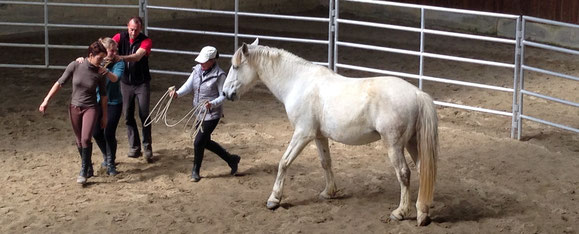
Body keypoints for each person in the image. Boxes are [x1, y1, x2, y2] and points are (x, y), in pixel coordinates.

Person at [39, 41, 113, 184]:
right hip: (74, 107)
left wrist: (104, 115)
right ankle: (88, 167)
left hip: (90, 107)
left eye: (103, 59)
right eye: (99, 58)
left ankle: (83, 170)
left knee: (86, 139)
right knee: (79, 140)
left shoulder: (100, 73)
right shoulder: (76, 65)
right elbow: (60, 82)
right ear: (91, 55)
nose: (101, 62)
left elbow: (104, 96)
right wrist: (46, 99)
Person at [169, 46, 240, 182]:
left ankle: (196, 170)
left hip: (212, 115)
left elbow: (223, 95)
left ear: (212, 61)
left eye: (204, 61)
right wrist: (177, 93)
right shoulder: (196, 70)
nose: (201, 64)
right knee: (205, 142)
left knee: (198, 142)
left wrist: (212, 104)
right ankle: (231, 159)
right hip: (199, 113)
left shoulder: (220, 75)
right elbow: (188, 86)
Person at [112, 16, 154, 162]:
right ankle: (134, 146)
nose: (133, 33)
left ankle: (147, 146)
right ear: (127, 27)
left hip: (141, 83)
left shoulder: (146, 41)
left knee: (144, 115)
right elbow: (108, 46)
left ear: (140, 29)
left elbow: (137, 57)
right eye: (131, 29)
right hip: (126, 83)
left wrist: (120, 58)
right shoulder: (119, 37)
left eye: (136, 30)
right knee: (128, 115)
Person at [92, 37, 125, 176]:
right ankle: (107, 155)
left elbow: (115, 78)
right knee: (96, 132)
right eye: (112, 50)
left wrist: (104, 70)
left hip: (113, 102)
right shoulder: (95, 62)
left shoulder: (119, 63)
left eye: (115, 50)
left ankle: (111, 163)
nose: (114, 53)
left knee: (109, 132)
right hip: (97, 101)